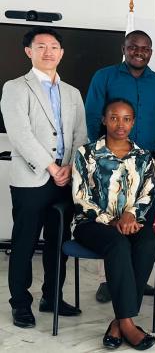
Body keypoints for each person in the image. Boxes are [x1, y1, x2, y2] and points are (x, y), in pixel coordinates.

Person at [1, 26, 87, 328]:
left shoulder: (73, 93)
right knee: (24, 243)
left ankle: (52, 296)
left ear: (61, 53)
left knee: (58, 241)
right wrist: (52, 167)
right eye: (41, 47)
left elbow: (80, 135)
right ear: (29, 51)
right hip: (32, 179)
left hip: (65, 180)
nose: (48, 52)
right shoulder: (15, 88)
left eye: (54, 47)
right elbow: (20, 135)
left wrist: (71, 168)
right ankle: (20, 303)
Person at [84, 30, 155, 302]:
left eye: (145, 48)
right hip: (109, 162)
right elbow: (92, 116)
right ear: (124, 48)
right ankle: (107, 280)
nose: (139, 52)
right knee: (109, 218)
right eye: (133, 46)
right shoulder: (105, 76)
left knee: (145, 217)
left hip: (148, 161)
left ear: (151, 52)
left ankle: (136, 276)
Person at [72, 98, 155, 350]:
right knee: (118, 245)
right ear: (104, 119)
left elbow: (148, 193)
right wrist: (112, 221)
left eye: (127, 118)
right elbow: (80, 197)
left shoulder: (143, 156)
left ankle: (120, 322)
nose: (121, 124)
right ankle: (129, 325)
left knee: (147, 244)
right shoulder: (85, 153)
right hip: (91, 223)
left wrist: (131, 215)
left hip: (131, 221)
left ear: (133, 121)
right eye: (114, 117)